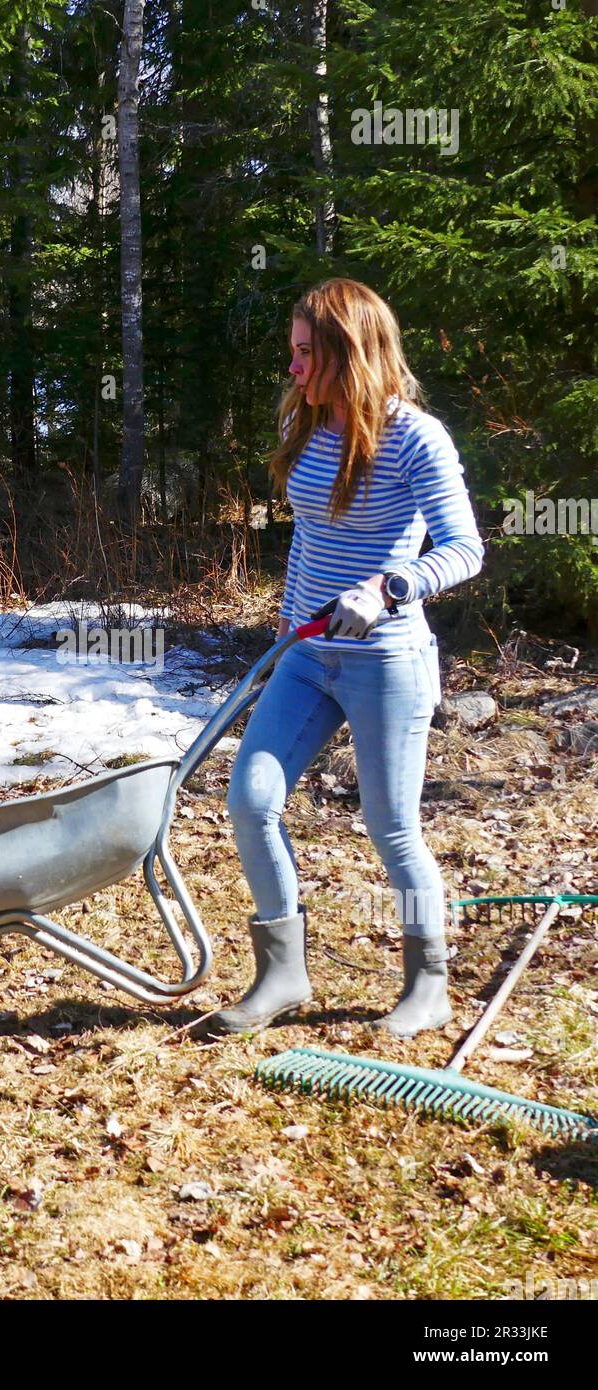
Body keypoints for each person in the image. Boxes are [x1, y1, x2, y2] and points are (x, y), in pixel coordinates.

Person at [194, 277, 484, 1040]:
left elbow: (463, 549)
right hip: (305, 654)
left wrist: (389, 587)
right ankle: (282, 975)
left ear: (346, 352)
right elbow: (310, 538)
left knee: (391, 830)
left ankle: (429, 985)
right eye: (290, 353)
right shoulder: (306, 419)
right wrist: (291, 619)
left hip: (384, 658)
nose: (291, 368)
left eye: (302, 353)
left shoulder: (415, 437)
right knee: (252, 801)